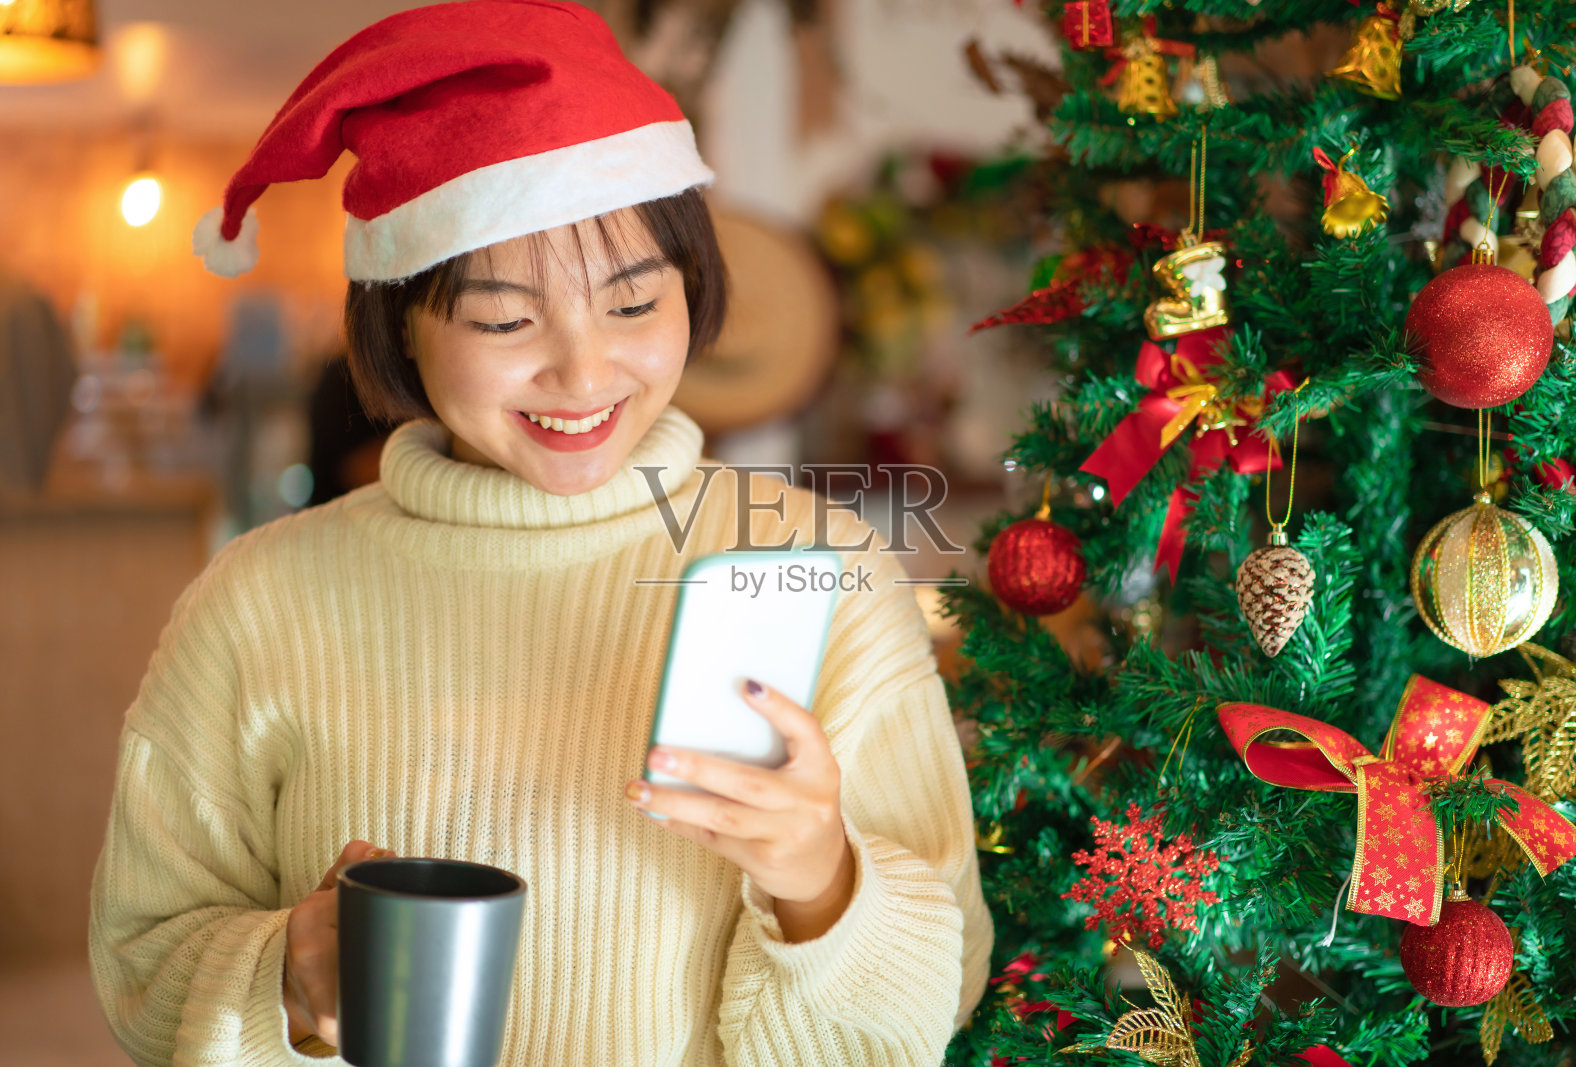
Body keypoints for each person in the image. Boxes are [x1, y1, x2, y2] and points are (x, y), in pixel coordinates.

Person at [87, 3, 992, 1065]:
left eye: (632, 304)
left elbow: (944, 986)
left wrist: (821, 880)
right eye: (505, 320)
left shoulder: (822, 569)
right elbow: (142, 964)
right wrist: (287, 971)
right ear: (402, 320)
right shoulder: (258, 599)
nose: (583, 372)